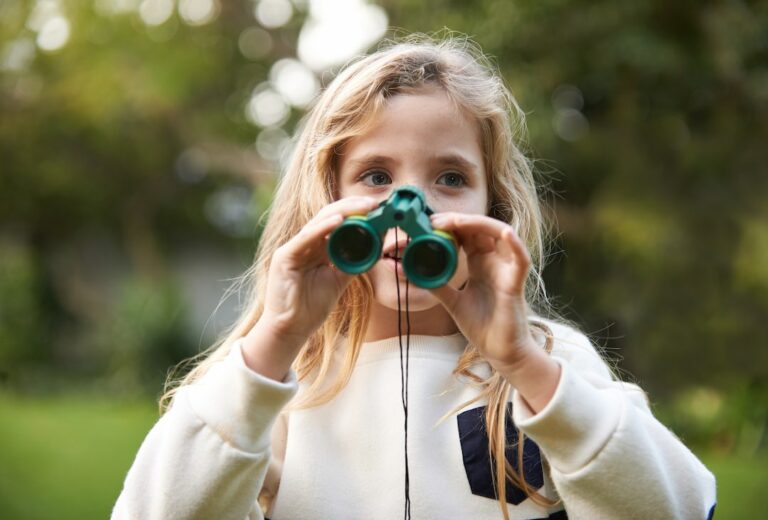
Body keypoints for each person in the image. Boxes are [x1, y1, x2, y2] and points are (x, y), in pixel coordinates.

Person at [112, 35, 717, 520]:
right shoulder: (279, 386)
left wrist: (523, 363)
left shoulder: (550, 365)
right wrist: (276, 338)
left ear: (493, 209)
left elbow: (684, 507)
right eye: (375, 176)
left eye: (450, 178)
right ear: (327, 202)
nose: (414, 206)